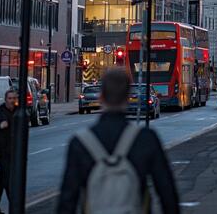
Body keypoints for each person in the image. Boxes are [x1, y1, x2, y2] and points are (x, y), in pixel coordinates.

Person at [58, 68, 180, 214]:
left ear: (101, 97)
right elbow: (166, 191)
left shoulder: (79, 143)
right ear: (128, 97)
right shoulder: (145, 139)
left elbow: (67, 200)